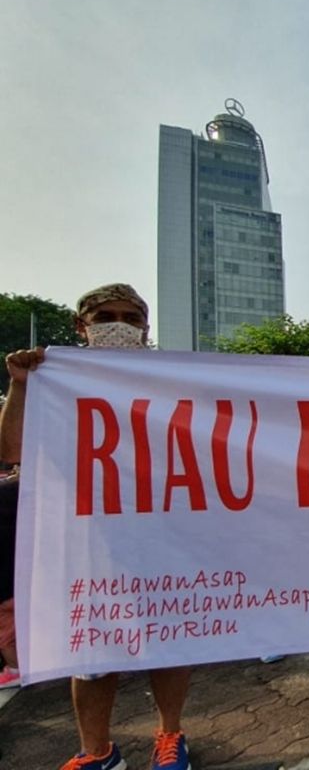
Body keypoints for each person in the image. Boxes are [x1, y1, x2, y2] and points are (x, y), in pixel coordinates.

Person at [0, 284, 193, 770]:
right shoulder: (49, 377)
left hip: (162, 528)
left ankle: (170, 737)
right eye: (106, 315)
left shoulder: (173, 377)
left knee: (170, 640)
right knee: (91, 652)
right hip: (86, 537)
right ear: (80, 325)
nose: (119, 324)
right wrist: (22, 384)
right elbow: (10, 451)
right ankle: (97, 752)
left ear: (144, 329)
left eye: (130, 317)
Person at [0, 471, 18, 690]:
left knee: (6, 637)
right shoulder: (12, 496)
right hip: (21, 581)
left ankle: (15, 669)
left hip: (3, 593)